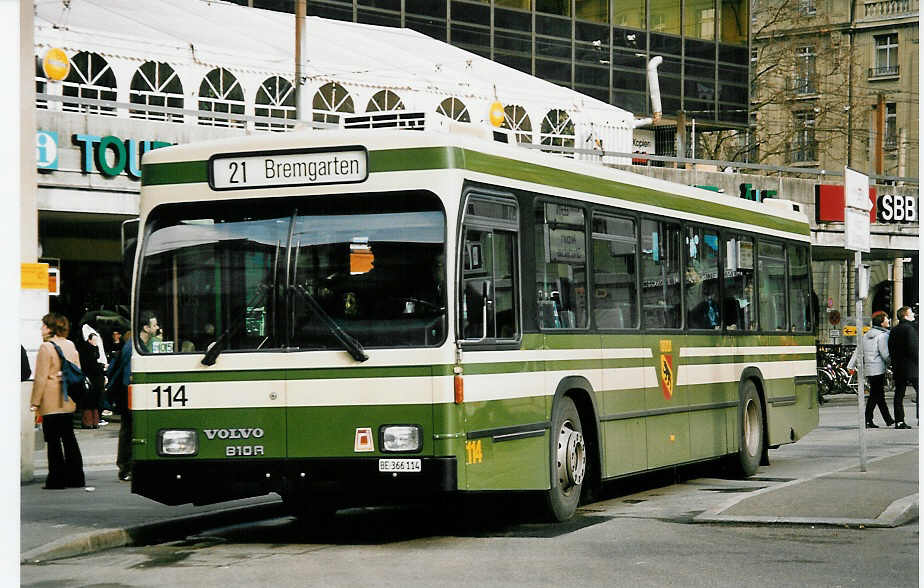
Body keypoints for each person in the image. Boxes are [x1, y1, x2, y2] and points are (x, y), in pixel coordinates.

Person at [30, 313, 85, 489]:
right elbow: (77, 369)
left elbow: (41, 378)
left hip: (51, 400)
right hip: (67, 398)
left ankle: (57, 479)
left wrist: (35, 402)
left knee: (53, 442)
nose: (41, 329)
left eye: (44, 326)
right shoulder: (70, 345)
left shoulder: (46, 347)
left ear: (51, 327)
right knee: (69, 439)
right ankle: (76, 478)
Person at [848, 311, 893, 428]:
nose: (888, 321)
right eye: (886, 319)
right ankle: (868, 419)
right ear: (882, 323)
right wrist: (892, 362)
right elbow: (885, 354)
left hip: (869, 368)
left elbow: (858, 351)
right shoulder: (883, 336)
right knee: (876, 395)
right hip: (879, 368)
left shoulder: (866, 335)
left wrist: (850, 365)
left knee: (877, 395)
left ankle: (886, 419)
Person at [107, 329, 133, 481]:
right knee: (129, 430)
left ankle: (124, 466)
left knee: (127, 430)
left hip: (123, 394)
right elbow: (127, 378)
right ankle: (126, 467)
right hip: (128, 394)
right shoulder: (133, 348)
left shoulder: (127, 346)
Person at [888, 306, 918, 429]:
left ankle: (899, 420)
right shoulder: (910, 329)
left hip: (899, 367)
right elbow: (913, 349)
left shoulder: (894, 330)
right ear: (905, 316)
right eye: (911, 313)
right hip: (912, 367)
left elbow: (890, 348)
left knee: (899, 395)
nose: (914, 315)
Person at [77, 324, 108, 429]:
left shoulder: (86, 350)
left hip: (91, 379)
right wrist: (102, 366)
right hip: (94, 379)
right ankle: (93, 422)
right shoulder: (92, 351)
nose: (96, 342)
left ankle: (89, 422)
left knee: (89, 402)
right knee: (94, 402)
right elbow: (92, 365)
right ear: (89, 340)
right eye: (94, 340)